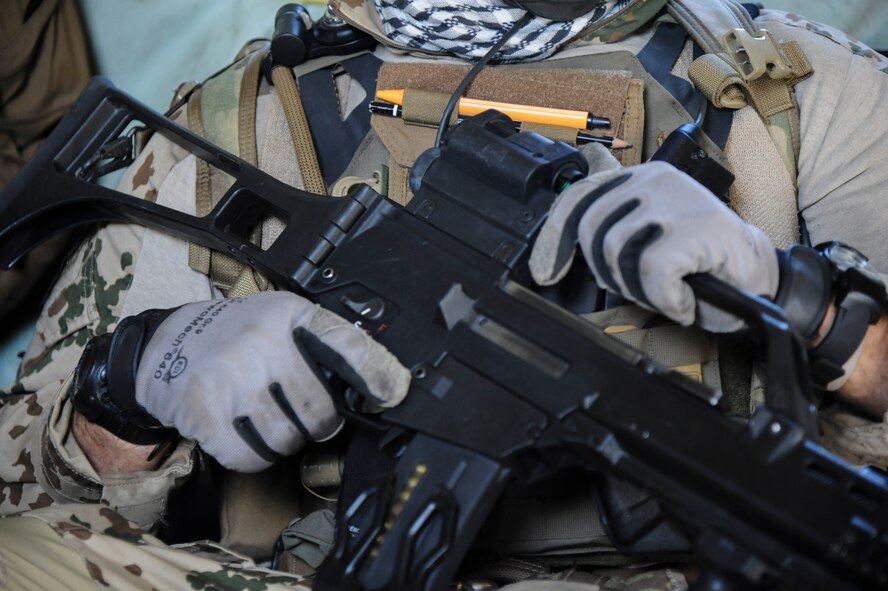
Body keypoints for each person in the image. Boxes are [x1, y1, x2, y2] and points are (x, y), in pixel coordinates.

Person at [2, 0, 888, 588]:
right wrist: (128, 388)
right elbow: (19, 492)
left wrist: (811, 308)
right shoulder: (243, 122)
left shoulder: (792, 89)